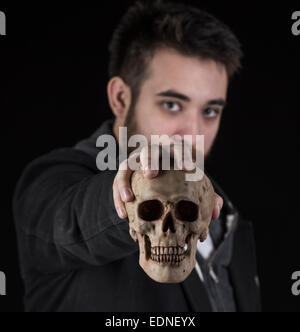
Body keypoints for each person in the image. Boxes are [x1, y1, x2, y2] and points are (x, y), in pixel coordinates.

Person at [13, 0, 261, 312]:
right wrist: (129, 191)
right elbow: (73, 221)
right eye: (172, 104)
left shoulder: (223, 215)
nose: (193, 132)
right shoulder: (52, 181)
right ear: (120, 98)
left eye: (210, 111)